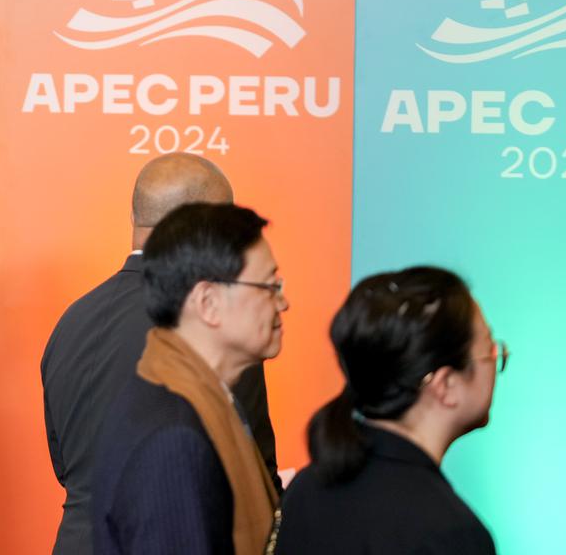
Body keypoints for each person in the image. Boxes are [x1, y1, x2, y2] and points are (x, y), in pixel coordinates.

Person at [41, 154, 281, 554]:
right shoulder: (213, 323)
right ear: (195, 226)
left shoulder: (71, 321)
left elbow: (65, 465)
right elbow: (256, 469)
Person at [92, 203, 286, 554]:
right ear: (208, 303)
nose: (282, 303)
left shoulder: (195, 396)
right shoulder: (172, 439)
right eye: (269, 286)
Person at [269, 266, 501, 554]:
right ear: (446, 385)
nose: (498, 360)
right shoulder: (452, 532)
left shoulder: (306, 487)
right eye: (490, 350)